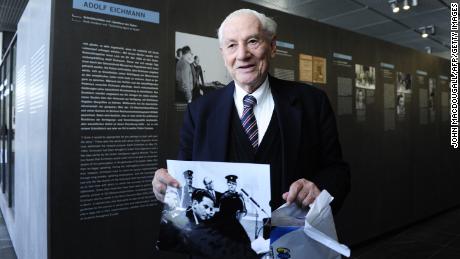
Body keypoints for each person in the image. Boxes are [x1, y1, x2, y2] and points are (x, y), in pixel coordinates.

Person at [153, 9, 350, 217]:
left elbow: (337, 172)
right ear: (223, 54)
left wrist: (318, 190)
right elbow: (183, 180)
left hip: (291, 243)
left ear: (272, 46)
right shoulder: (199, 111)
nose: (242, 54)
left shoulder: (312, 103)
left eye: (253, 41)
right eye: (231, 45)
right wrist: (165, 187)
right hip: (221, 242)